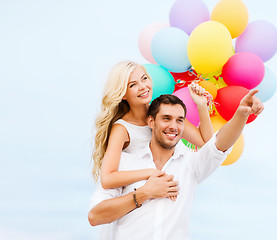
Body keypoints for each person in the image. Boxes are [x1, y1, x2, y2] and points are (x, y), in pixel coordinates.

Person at [88, 92, 264, 239]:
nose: (173, 126)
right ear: (151, 122)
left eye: (179, 120)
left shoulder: (191, 164)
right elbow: (95, 216)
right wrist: (144, 193)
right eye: (166, 118)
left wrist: (241, 114)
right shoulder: (125, 162)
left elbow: (219, 144)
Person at [91, 61, 213, 193]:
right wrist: (150, 172)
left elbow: (206, 142)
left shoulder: (164, 113)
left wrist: (202, 106)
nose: (143, 87)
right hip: (141, 200)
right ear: (123, 94)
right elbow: (107, 179)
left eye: (144, 78)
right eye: (133, 85)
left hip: (169, 193)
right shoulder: (122, 129)